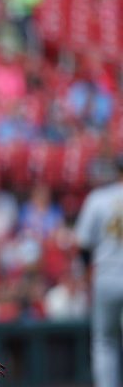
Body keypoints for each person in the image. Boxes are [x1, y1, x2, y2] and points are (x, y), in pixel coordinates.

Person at [74, 154, 123, 387]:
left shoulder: (99, 198)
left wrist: (85, 274)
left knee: (105, 340)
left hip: (106, 275)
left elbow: (83, 245)